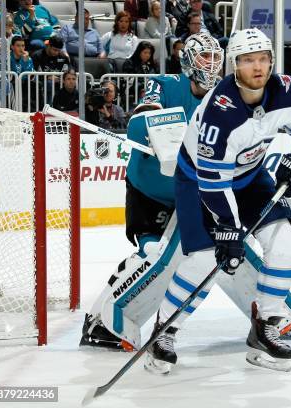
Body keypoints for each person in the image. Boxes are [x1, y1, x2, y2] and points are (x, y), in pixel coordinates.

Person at [146, 28, 291, 374]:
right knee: (206, 261)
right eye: (247, 60)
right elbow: (213, 181)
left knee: (285, 243)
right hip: (199, 182)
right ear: (233, 66)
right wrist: (228, 226)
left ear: (271, 60)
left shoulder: (287, 90)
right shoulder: (219, 111)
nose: (257, 67)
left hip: (251, 177)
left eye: (263, 59)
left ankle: (265, 325)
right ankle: (164, 331)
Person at [79, 32, 225, 352]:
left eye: (215, 58)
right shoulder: (165, 84)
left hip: (189, 198)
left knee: (204, 260)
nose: (211, 64)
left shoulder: (224, 101)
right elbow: (138, 123)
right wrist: (165, 137)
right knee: (152, 255)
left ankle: (268, 314)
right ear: (188, 60)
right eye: (204, 57)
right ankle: (98, 321)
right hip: (149, 190)